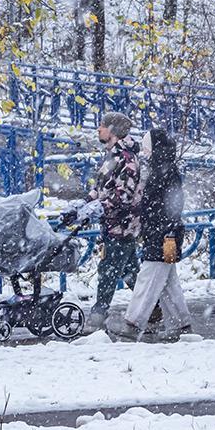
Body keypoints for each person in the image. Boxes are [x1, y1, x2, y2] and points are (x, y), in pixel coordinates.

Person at [113, 127, 191, 341]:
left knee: (147, 279)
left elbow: (169, 205)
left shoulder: (163, 172)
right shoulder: (164, 170)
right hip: (163, 233)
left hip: (162, 235)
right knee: (167, 283)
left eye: (147, 146)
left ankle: (133, 323)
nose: (145, 150)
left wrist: (164, 230)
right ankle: (181, 325)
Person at [86, 111, 142, 331]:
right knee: (130, 271)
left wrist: (99, 207)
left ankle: (98, 315)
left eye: (102, 125)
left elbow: (124, 196)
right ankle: (153, 307)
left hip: (121, 225)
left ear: (113, 130)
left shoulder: (126, 159)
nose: (98, 129)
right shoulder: (112, 156)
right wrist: (84, 204)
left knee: (108, 269)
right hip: (112, 224)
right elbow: (101, 187)